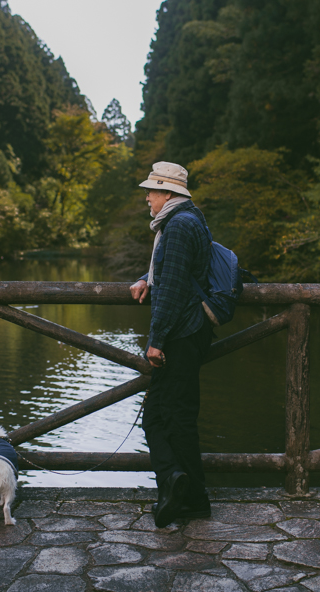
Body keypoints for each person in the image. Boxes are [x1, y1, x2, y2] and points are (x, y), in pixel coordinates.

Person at [130, 161, 214, 528]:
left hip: (181, 333)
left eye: (151, 191)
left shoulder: (178, 225)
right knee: (175, 417)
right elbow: (174, 270)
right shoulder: (187, 219)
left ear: (168, 193)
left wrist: (155, 341)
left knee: (163, 417)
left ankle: (182, 489)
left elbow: (176, 289)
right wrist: (147, 276)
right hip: (189, 331)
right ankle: (183, 493)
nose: (147, 197)